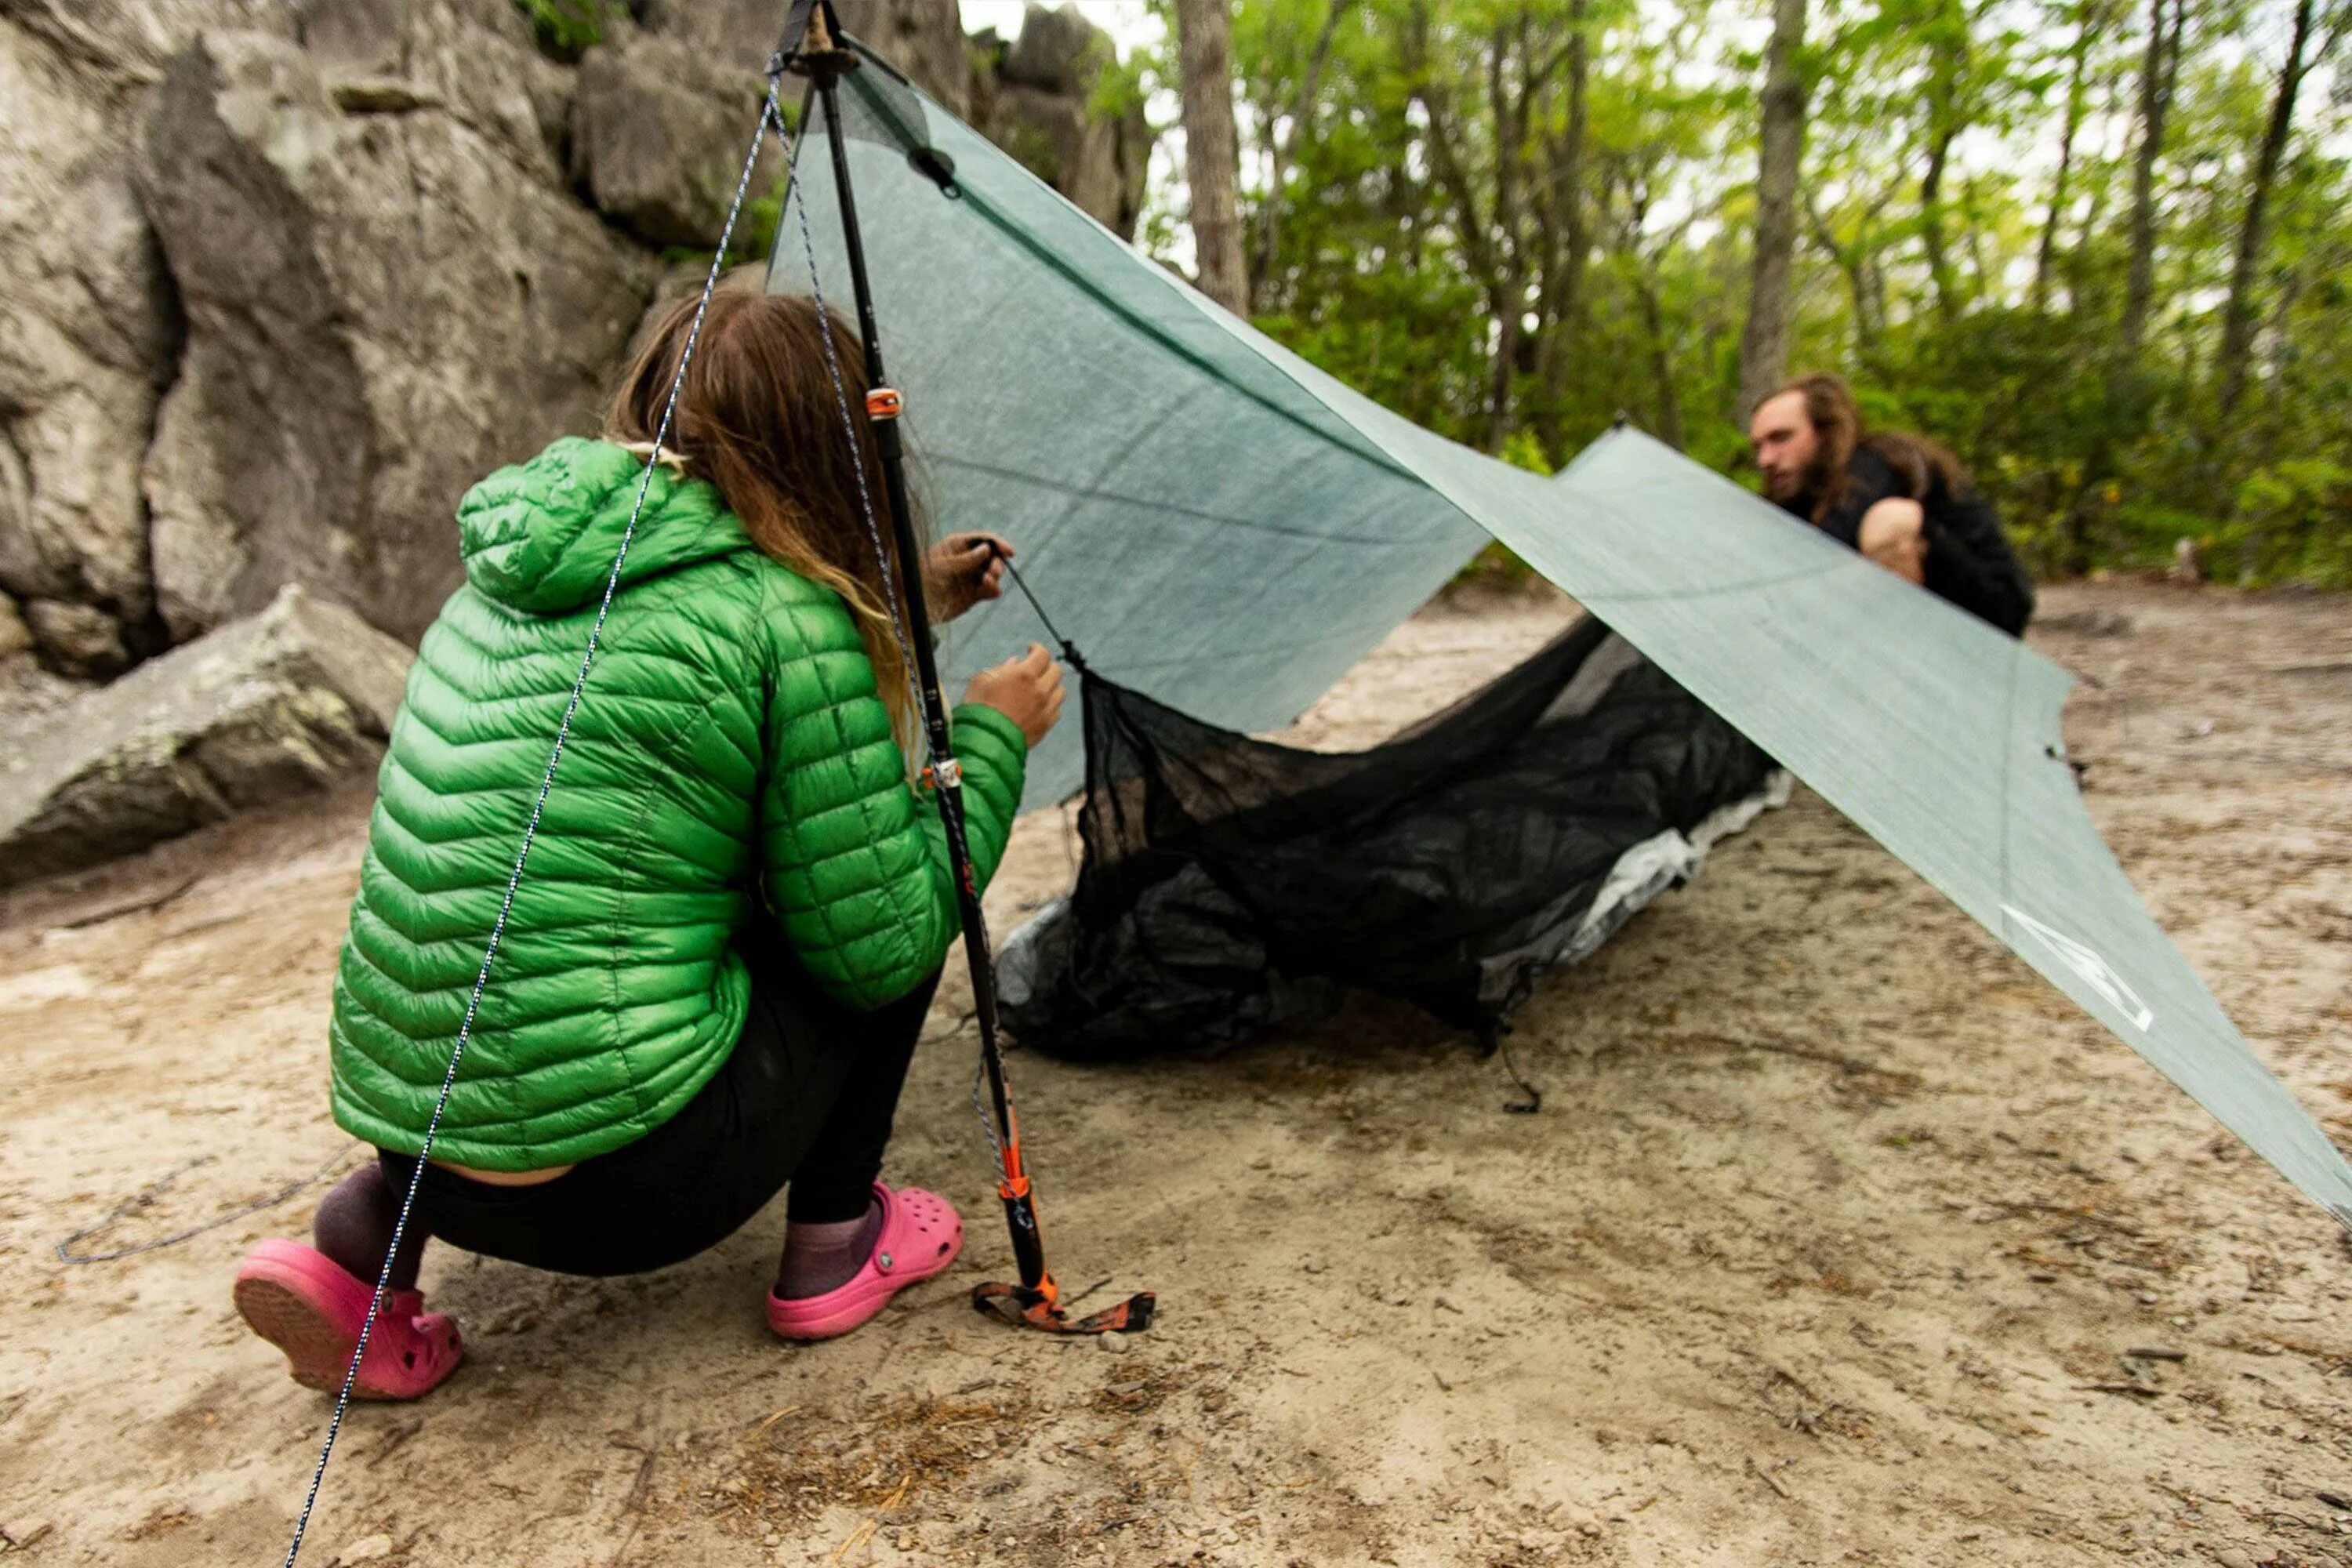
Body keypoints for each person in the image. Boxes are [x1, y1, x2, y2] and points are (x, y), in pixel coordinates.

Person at [230, 288, 1065, 1399]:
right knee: (887, 883)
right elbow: (880, 937)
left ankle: (362, 1242)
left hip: (416, 1135)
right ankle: (836, 1237)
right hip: (633, 1192)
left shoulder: (503, 582)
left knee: (534, 927)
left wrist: (902, 597)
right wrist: (995, 737)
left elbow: (670, 655)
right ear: (832, 448)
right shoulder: (787, 618)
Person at [1747, 372, 2034, 635]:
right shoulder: (1799, 495)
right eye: (1759, 447)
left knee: (1889, 524)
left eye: (1781, 438)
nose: (1766, 460)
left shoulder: (1878, 461)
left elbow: (1825, 555)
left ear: (1825, 433)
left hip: (1993, 615)